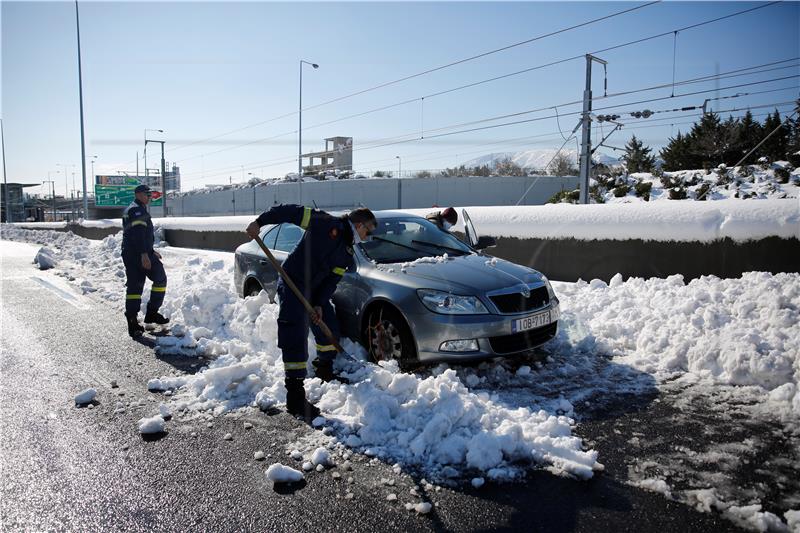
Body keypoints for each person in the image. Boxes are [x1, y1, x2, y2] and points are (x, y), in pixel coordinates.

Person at [246, 204, 377, 420]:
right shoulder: (324, 222)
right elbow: (288, 211)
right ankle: (295, 396)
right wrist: (259, 222)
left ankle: (324, 368)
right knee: (294, 334)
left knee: (329, 330)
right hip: (292, 283)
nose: (367, 236)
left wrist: (319, 303)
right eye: (368, 231)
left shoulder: (346, 252)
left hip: (314, 292)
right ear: (359, 224)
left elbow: (331, 281)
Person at [122, 184, 168, 337]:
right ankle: (132, 320)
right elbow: (138, 234)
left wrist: (150, 251)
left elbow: (141, 235)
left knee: (160, 278)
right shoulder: (136, 210)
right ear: (139, 194)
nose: (150, 197)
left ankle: (152, 314)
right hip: (135, 255)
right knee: (136, 286)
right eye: (147, 194)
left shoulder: (137, 208)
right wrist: (144, 254)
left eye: (150, 194)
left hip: (142, 252)